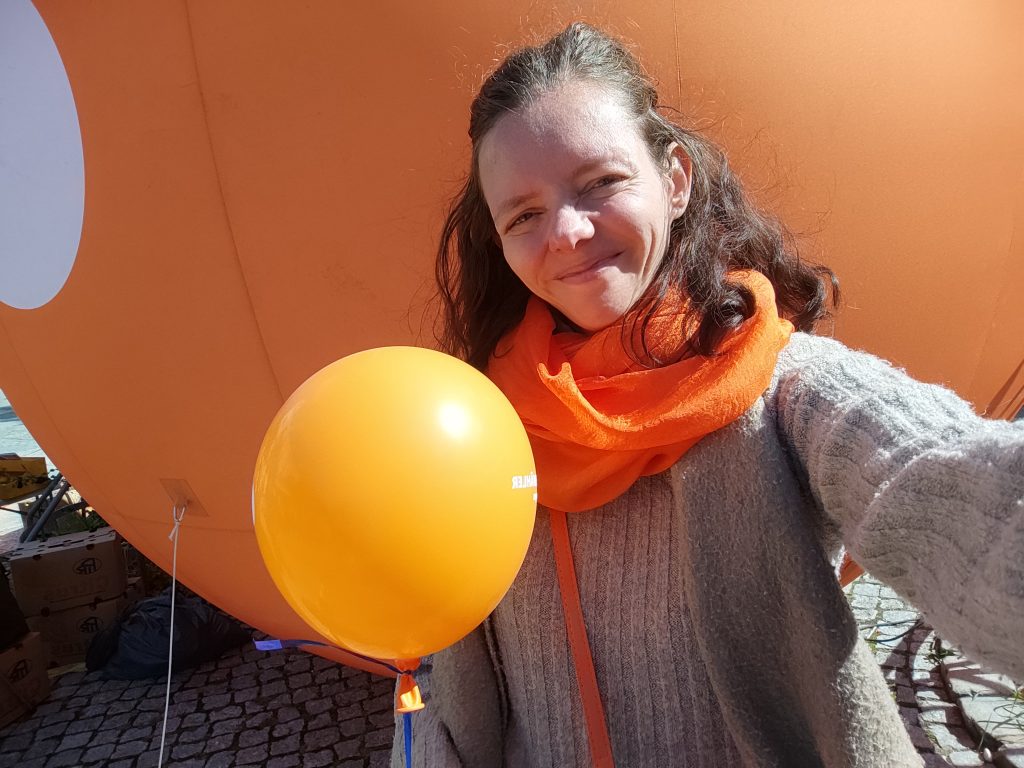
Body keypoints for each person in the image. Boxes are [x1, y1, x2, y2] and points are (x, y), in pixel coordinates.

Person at [392, 22, 1024, 768]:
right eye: (523, 214)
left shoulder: (783, 392)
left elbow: (951, 484)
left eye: (601, 182)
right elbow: (438, 664)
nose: (565, 231)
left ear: (677, 178)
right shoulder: (477, 427)